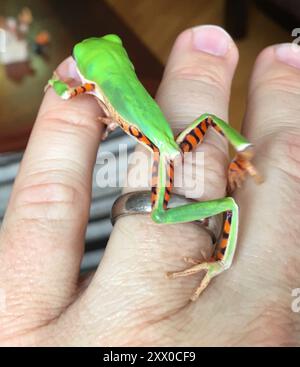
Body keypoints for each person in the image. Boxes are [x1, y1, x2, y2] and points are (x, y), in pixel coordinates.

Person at [0, 25, 299, 346]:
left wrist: (58, 81)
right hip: (172, 134)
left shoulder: (87, 85)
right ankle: (242, 151)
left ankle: (223, 244)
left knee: (159, 216)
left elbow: (63, 92)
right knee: (209, 119)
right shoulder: (107, 81)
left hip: (162, 153)